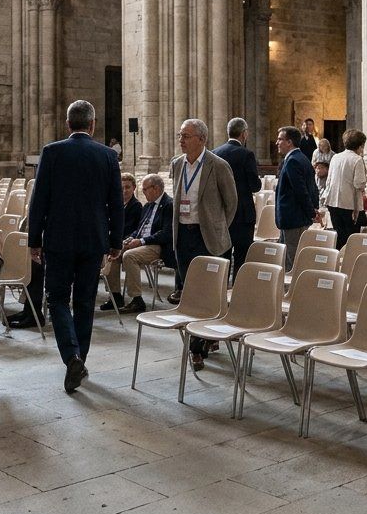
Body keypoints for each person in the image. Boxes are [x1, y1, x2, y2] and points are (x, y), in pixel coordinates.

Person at [25, 100, 123, 394]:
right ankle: (80, 358)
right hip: (94, 240)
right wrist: (116, 241)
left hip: (59, 239)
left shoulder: (52, 151)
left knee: (56, 298)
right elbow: (116, 203)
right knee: (84, 301)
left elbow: (38, 200)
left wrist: (34, 240)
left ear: (67, 124)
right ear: (92, 125)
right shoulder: (107, 155)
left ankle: (72, 357)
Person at [169, 118, 237, 366]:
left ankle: (196, 347)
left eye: (186, 136)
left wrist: (216, 227)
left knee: (208, 293)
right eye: (180, 135)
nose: (181, 140)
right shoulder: (177, 165)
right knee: (190, 291)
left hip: (208, 236)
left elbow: (231, 203)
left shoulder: (217, 165)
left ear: (202, 139)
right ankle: (202, 338)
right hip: (183, 235)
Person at [105, 174, 173, 314]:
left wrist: (141, 241)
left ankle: (137, 299)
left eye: (145, 189)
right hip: (143, 242)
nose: (143, 193)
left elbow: (166, 233)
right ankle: (115, 295)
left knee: (129, 256)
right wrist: (130, 239)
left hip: (156, 245)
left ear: (156, 188)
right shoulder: (148, 206)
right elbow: (140, 229)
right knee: (115, 251)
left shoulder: (168, 204)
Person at [212, 117, 261, 275]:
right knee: (241, 258)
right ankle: (238, 295)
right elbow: (255, 185)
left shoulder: (215, 153)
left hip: (221, 213)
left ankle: (219, 292)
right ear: (244, 134)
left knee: (222, 258)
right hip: (242, 214)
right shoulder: (246, 154)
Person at [275, 125, 321, 269]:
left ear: (289, 142)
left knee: (292, 260)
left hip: (293, 218)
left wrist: (312, 213)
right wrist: (314, 209)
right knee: (286, 257)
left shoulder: (293, 161)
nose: (277, 142)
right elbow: (312, 188)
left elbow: (301, 191)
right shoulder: (302, 158)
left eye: (280, 139)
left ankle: (292, 289)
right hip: (296, 218)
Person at [98, 173, 142, 312]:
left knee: (112, 254)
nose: (124, 190)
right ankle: (114, 295)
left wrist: (118, 240)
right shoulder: (115, 204)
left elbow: (134, 229)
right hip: (116, 240)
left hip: (129, 241)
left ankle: (131, 298)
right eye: (121, 187)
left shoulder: (136, 206)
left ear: (134, 188)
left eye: (127, 187)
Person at [324, 129, 367, 249]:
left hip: (333, 202)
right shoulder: (357, 159)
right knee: (352, 239)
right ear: (360, 145)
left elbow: (329, 180)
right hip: (349, 204)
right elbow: (359, 184)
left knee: (339, 235)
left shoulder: (335, 157)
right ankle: (349, 263)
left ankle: (337, 261)